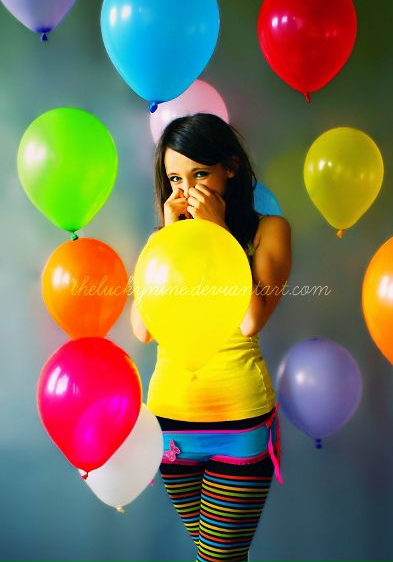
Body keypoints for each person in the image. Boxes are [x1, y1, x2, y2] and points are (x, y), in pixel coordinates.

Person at [132, 113, 292, 562]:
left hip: (238, 426)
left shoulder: (267, 231)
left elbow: (250, 321)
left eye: (200, 174)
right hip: (169, 429)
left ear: (231, 168)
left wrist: (218, 233)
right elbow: (143, 329)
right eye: (175, 179)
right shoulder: (163, 241)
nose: (187, 190)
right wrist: (170, 239)